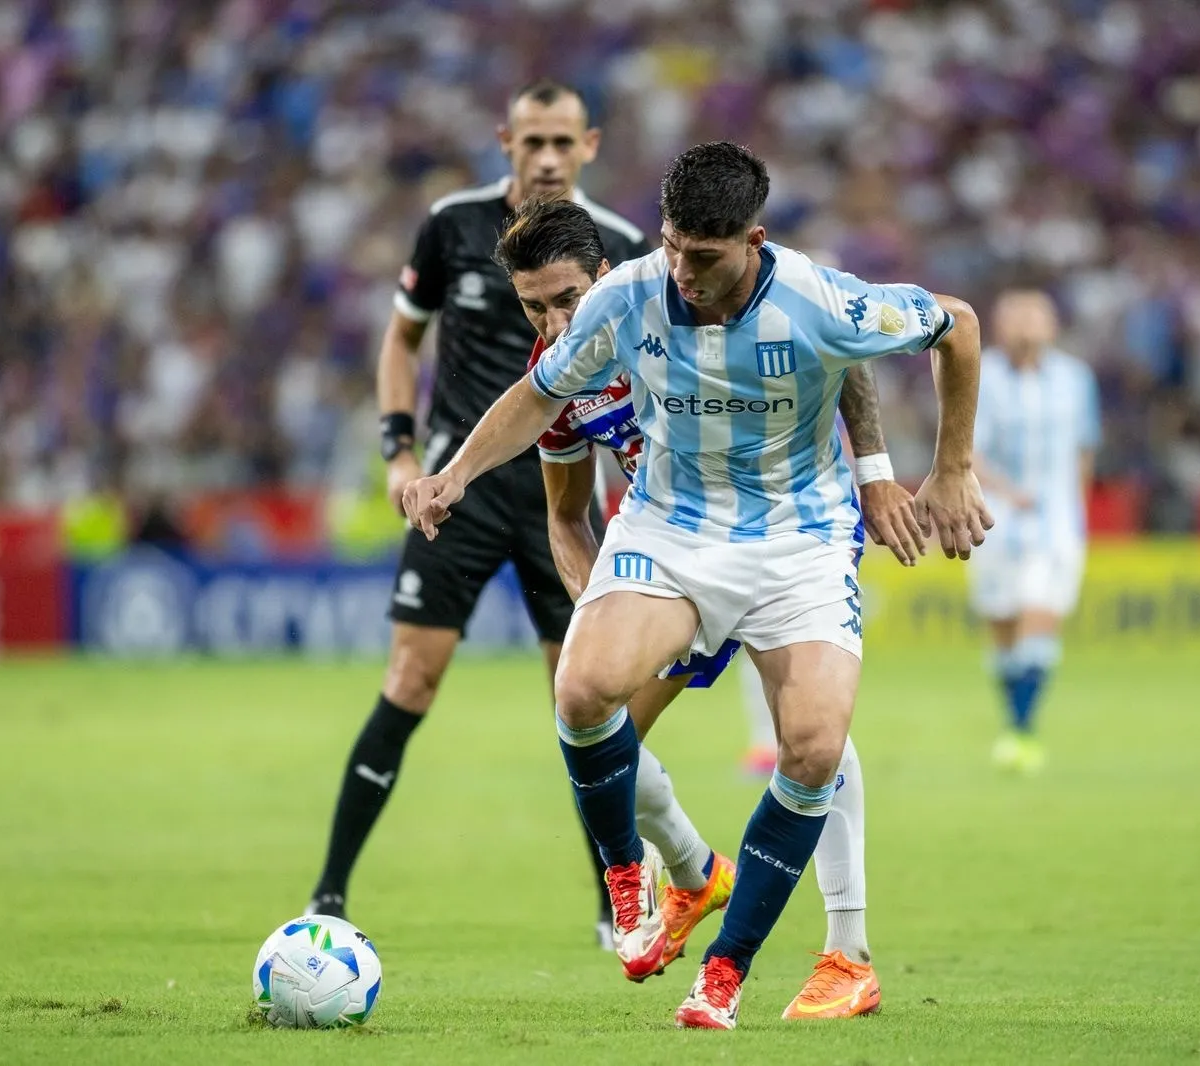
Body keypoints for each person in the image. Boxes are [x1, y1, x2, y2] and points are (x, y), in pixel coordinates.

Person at [404, 142, 991, 1029]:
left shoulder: (817, 298)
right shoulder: (623, 299)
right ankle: (657, 874)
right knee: (586, 697)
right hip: (671, 528)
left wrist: (937, 469)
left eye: (702, 256)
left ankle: (796, 957)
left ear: (752, 240)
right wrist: (453, 474)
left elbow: (943, 328)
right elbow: (541, 414)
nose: (679, 270)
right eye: (671, 245)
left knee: (816, 746)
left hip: (794, 538)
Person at [495, 196, 932, 1018]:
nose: (555, 323)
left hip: (780, 530)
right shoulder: (564, 369)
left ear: (602, 276)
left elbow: (844, 351)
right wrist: (607, 601)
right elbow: (564, 516)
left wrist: (874, 471)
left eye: (564, 302)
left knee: (811, 733)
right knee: (598, 716)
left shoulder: (685, 305)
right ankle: (696, 874)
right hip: (673, 552)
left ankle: (847, 946)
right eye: (535, 308)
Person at [304, 79, 649, 950]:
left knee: (584, 697)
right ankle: (329, 896)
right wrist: (400, 452)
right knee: (409, 680)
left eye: (562, 143)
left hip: (562, 497)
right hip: (461, 488)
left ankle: (618, 905)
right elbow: (400, 339)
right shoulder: (452, 223)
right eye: (531, 141)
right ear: (506, 139)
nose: (545, 158)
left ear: (590, 146)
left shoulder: (626, 247)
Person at [967, 290, 1100, 774]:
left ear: (1053, 325)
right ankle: (1015, 721)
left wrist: (1077, 508)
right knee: (1003, 627)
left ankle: (1022, 731)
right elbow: (965, 448)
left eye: (1035, 316)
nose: (1026, 325)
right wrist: (1006, 489)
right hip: (994, 518)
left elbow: (1085, 447)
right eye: (1016, 316)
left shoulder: (1075, 379)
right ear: (1000, 326)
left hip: (1057, 522)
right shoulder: (980, 375)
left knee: (1039, 620)